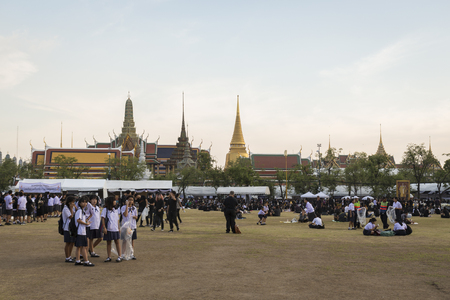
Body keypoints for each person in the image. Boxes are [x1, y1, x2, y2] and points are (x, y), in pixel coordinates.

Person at [74, 197, 94, 266]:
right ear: (79, 203)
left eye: (86, 202)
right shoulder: (79, 211)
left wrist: (86, 221)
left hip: (81, 230)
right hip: (80, 231)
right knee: (83, 246)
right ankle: (86, 261)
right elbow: (78, 220)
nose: (85, 203)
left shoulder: (82, 211)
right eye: (83, 202)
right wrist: (86, 224)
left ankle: (78, 260)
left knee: (79, 246)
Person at [101, 196, 122, 262]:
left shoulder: (116, 210)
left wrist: (118, 228)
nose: (115, 202)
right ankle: (109, 256)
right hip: (109, 228)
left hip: (115, 228)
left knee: (117, 242)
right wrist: (104, 227)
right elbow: (103, 219)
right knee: (109, 242)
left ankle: (119, 256)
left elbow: (117, 219)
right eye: (114, 200)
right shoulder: (105, 210)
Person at [62, 196, 76, 263]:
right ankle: (67, 257)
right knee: (68, 243)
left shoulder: (71, 208)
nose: (73, 204)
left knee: (72, 242)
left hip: (72, 228)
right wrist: (71, 208)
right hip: (67, 228)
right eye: (72, 202)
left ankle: (70, 256)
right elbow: (71, 216)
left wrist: (74, 208)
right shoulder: (65, 208)